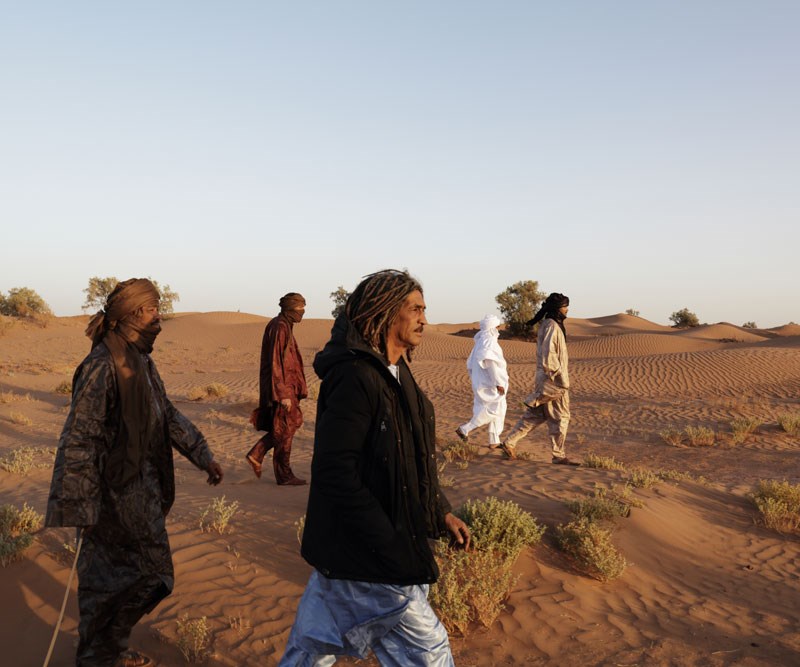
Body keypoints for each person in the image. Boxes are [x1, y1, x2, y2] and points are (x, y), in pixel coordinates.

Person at [280, 269, 470, 666]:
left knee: (313, 648)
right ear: (386, 312)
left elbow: (416, 459)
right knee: (428, 652)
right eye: (415, 309)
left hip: (364, 554)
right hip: (371, 553)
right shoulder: (355, 377)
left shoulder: (398, 374)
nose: (424, 319)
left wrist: (440, 512)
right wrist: (388, 539)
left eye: (424, 309)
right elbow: (336, 473)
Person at [45, 278, 224, 667]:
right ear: (131, 315)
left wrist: (202, 454)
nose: (158, 315)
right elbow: (80, 438)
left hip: (143, 497)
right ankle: (97, 657)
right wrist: (80, 506)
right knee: (109, 583)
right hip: (109, 500)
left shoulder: (141, 359)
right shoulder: (100, 365)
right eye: (151, 309)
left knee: (144, 579)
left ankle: (108, 649)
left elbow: (167, 415)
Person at [499, 292, 580, 465]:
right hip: (554, 381)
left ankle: (509, 442)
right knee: (561, 416)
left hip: (547, 379)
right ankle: (559, 455)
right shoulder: (551, 325)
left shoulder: (549, 324)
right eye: (565, 307)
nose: (567, 310)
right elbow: (548, 355)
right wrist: (560, 378)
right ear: (557, 309)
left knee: (535, 416)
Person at [245, 292, 308, 485]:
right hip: (283, 389)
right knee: (285, 427)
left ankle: (258, 454)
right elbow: (275, 363)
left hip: (288, 387)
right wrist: (283, 394)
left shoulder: (284, 325)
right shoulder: (279, 327)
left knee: (291, 424)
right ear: (289, 308)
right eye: (299, 309)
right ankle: (283, 474)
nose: (302, 312)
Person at [455, 314, 509, 448]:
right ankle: (465, 429)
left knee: (499, 408)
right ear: (492, 328)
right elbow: (491, 364)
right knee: (493, 410)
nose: (499, 329)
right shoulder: (489, 342)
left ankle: (494, 440)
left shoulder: (480, 342)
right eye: (497, 327)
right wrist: (498, 383)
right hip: (490, 383)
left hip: (482, 381)